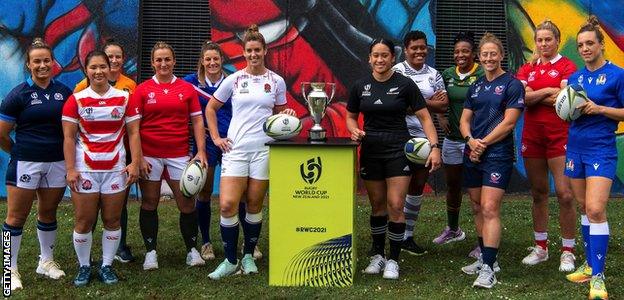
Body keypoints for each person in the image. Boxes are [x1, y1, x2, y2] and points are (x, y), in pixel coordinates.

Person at [206, 25, 295, 279]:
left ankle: (247, 256)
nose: (253, 54)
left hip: (263, 151)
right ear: (243, 53)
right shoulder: (233, 80)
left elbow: (281, 114)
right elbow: (211, 108)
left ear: (265, 51)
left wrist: (287, 114)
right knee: (227, 205)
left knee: (254, 205)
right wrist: (216, 138)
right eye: (249, 51)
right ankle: (230, 260)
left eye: (257, 50)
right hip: (235, 149)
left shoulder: (276, 81)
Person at [347, 38, 441, 280]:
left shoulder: (405, 84)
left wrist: (434, 147)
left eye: (385, 55)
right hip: (370, 151)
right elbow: (350, 116)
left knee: (395, 205)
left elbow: (425, 118)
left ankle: (393, 260)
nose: (380, 60)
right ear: (369, 58)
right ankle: (377, 255)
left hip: (399, 149)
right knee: (377, 206)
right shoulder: (360, 86)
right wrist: (353, 129)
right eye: (375, 55)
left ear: (392, 58)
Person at [61, 50, 142, 286]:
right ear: (86, 70)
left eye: (102, 67)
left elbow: (134, 133)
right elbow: (68, 138)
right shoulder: (75, 99)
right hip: (85, 169)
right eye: (93, 67)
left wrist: (134, 163)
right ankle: (84, 266)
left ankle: (107, 266)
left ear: (110, 69)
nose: (98, 71)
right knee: (83, 221)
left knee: (112, 219)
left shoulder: (125, 97)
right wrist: (70, 169)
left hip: (115, 169)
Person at [0, 38, 73, 291]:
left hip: (57, 163)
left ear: (53, 63)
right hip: (25, 163)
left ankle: (46, 261)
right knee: (15, 217)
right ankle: (9, 270)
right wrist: (19, 152)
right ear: (28, 64)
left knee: (48, 213)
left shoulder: (64, 92)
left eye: (46, 61)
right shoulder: (18, 94)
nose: (43, 65)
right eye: (37, 61)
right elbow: (2, 133)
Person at [563, 16, 624, 300]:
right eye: (581, 45)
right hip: (575, 147)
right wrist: (564, 108)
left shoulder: (617, 75)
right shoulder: (575, 78)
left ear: (601, 45)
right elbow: (569, 112)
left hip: (601, 148)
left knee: (596, 208)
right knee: (584, 207)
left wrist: (600, 109)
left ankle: (598, 278)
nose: (585, 48)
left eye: (590, 43)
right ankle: (589, 265)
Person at [132, 42, 207, 270]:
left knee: (186, 203)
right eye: (159, 60)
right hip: (150, 155)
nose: (163, 64)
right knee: (149, 202)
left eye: (167, 59)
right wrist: (139, 157)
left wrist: (201, 151)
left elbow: (196, 121)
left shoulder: (186, 89)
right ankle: (151, 253)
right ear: (152, 63)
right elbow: (133, 129)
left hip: (178, 154)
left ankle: (192, 250)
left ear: (174, 61)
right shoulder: (142, 90)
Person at [459, 33, 524, 289]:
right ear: (479, 56)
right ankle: (486, 257)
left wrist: (482, 144)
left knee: (489, 208)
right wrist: (470, 141)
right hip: (473, 152)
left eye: (493, 54)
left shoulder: (512, 84)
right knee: (476, 206)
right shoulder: (475, 86)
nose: (488, 58)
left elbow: (509, 123)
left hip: (497, 154)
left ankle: (488, 268)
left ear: (501, 55)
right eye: (484, 54)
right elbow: (465, 119)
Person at [515, 20, 577, 271]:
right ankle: (541, 247)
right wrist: (549, 91)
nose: (543, 44)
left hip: (559, 136)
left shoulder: (567, 66)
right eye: (539, 40)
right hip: (532, 138)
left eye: (547, 40)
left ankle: (568, 251)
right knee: (538, 193)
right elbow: (521, 97)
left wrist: (536, 95)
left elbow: (564, 101)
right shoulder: (527, 68)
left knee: (564, 194)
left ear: (557, 40)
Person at [74, 39, 138, 263]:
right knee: (88, 212)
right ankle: (87, 255)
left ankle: (119, 248)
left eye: (117, 56)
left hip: (121, 154)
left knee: (117, 207)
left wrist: (135, 159)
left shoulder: (129, 85)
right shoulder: (82, 88)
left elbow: (134, 127)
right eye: (109, 57)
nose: (113, 61)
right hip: (90, 160)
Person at [392, 30, 448, 255]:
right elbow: (397, 104)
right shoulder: (397, 72)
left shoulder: (433, 74)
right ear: (406, 50)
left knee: (417, 186)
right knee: (398, 188)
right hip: (399, 137)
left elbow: (443, 106)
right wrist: (428, 102)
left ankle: (408, 236)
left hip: (424, 140)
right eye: (414, 48)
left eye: (422, 47)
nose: (419, 51)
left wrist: (414, 102)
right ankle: (394, 232)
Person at [437, 31, 484, 253]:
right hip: (452, 140)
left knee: (479, 192)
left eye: (465, 51)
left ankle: (483, 239)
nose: (460, 55)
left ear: (474, 53)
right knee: (453, 185)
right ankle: (453, 229)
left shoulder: (483, 73)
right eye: (457, 51)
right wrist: (441, 116)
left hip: (476, 142)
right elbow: (440, 99)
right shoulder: (446, 74)